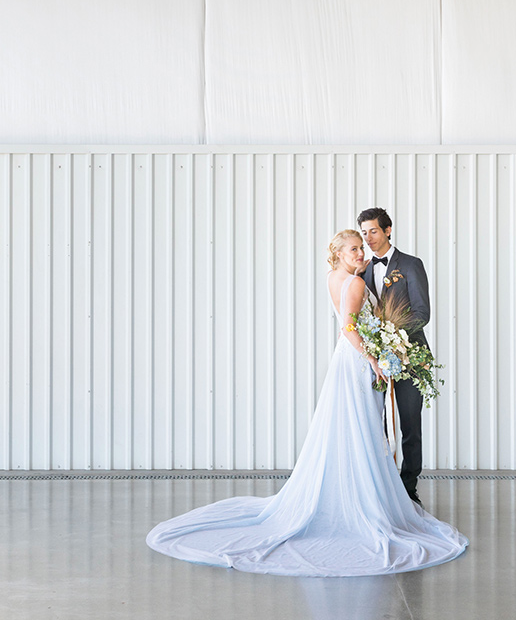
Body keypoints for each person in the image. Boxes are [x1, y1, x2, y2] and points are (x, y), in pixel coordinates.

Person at [146, 230, 467, 576]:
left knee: (348, 427)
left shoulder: (334, 278)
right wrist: (375, 360)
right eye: (354, 249)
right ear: (340, 253)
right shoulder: (357, 285)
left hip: (343, 362)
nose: (361, 253)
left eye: (362, 248)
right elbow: (349, 328)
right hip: (360, 362)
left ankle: (348, 494)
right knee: (364, 429)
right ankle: (365, 499)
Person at [357, 207, 430, 507]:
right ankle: (383, 488)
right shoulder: (360, 271)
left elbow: (422, 313)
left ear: (388, 230)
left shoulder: (411, 265)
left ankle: (409, 489)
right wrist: (374, 346)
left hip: (410, 356)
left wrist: (393, 338)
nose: (368, 238)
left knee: (410, 424)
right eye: (363, 233)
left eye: (373, 231)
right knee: (378, 424)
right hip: (373, 361)